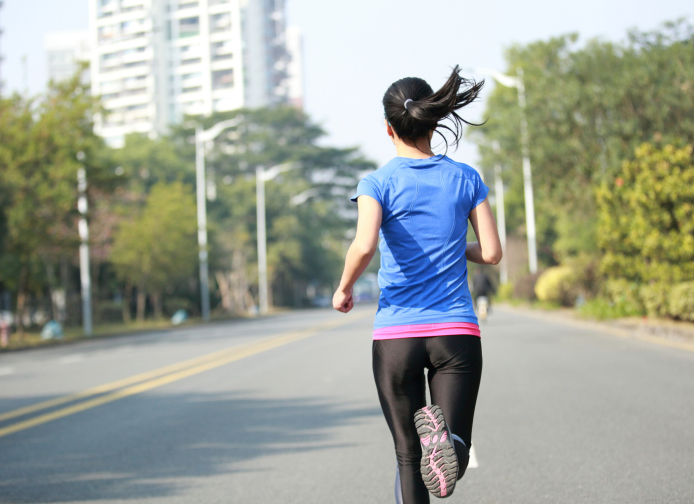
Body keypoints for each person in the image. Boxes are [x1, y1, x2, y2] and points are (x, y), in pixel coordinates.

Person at [332, 66, 502, 504]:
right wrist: (457, 247)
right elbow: (493, 252)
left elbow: (364, 244)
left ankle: (434, 449)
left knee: (408, 457)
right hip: (456, 333)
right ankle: (451, 447)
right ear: (435, 121)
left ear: (388, 129)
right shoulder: (467, 178)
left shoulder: (377, 183)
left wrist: (344, 287)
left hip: (395, 336)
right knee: (451, 448)